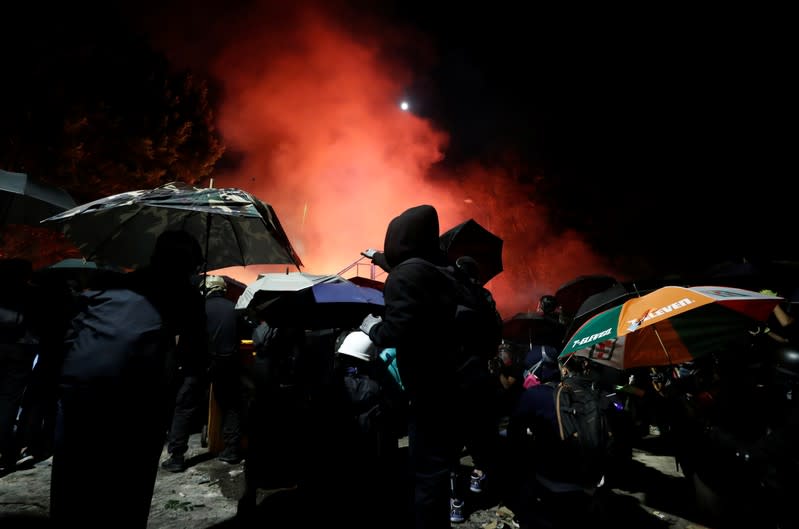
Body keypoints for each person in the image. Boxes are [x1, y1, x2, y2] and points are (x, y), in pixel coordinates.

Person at [50, 230, 207, 528]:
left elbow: (70, 332)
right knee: (129, 482)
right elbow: (197, 355)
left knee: (73, 478)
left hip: (79, 384)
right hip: (135, 394)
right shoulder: (183, 293)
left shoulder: (116, 284)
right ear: (188, 265)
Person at [360, 204, 461, 529]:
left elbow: (397, 330)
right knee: (437, 466)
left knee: (425, 470)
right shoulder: (440, 270)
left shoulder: (408, 274)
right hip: (445, 381)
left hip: (423, 386)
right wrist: (379, 258)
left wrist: (371, 327)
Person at [203, 275, 244, 464]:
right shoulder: (234, 308)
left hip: (203, 363)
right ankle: (231, 448)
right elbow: (246, 332)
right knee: (231, 407)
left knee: (187, 405)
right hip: (229, 363)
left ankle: (177, 454)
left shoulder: (199, 308)